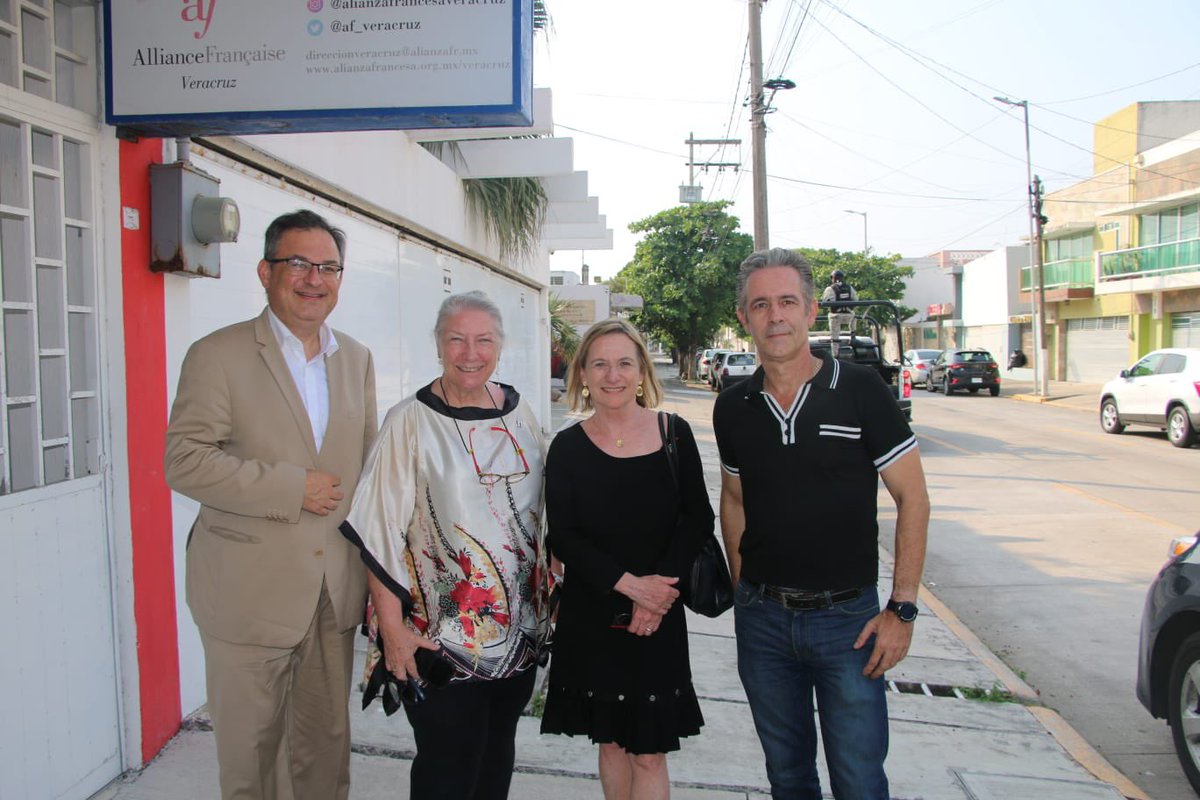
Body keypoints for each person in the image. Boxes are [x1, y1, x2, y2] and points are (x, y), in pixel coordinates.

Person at [164, 209, 378, 800]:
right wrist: (291, 487)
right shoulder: (218, 354)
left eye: (329, 267)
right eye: (299, 264)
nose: (315, 279)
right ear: (265, 271)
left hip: (332, 593)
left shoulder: (355, 358)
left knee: (324, 749)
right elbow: (184, 461)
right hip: (247, 593)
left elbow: (366, 470)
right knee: (252, 759)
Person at [713, 248, 930, 799]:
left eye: (788, 302)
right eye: (761, 305)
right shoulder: (733, 407)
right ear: (744, 317)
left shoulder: (860, 389)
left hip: (849, 623)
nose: (775, 316)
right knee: (787, 778)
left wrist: (902, 608)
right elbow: (734, 499)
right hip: (763, 623)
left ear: (811, 310)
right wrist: (743, 590)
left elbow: (913, 498)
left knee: (859, 781)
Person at [339, 290, 551, 800]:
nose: (470, 353)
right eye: (457, 339)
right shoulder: (408, 421)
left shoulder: (521, 413)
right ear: (437, 344)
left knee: (495, 762)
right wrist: (392, 632)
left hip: (518, 638)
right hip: (438, 640)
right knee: (448, 771)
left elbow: (547, 511)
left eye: (484, 340)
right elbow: (378, 529)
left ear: (500, 345)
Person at [540, 318, 713, 800]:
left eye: (623, 363)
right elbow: (564, 537)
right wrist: (631, 586)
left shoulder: (674, 433)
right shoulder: (567, 447)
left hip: (660, 614)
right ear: (582, 374)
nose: (612, 375)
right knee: (612, 742)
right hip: (593, 613)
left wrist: (656, 594)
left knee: (649, 751)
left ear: (641, 371)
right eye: (599, 364)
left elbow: (698, 519)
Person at [820, 269, 858, 339]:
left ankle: (835, 340)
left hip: (836, 317)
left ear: (832, 278)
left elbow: (823, 302)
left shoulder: (829, 289)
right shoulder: (850, 288)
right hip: (849, 316)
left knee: (831, 317)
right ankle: (853, 335)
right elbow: (856, 300)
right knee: (854, 315)